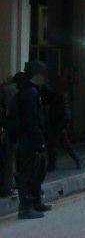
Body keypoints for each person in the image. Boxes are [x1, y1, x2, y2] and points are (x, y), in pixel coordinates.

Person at [11, 63, 51, 219]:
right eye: (44, 74)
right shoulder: (30, 93)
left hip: (29, 138)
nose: (45, 78)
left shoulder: (30, 91)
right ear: (38, 74)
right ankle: (26, 206)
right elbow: (32, 121)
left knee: (38, 171)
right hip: (28, 140)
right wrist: (39, 142)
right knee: (28, 173)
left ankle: (35, 201)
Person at [41, 77, 80, 171]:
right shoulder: (60, 96)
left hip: (58, 124)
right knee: (64, 144)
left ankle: (52, 165)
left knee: (52, 145)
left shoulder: (59, 96)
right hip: (59, 124)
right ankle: (76, 160)